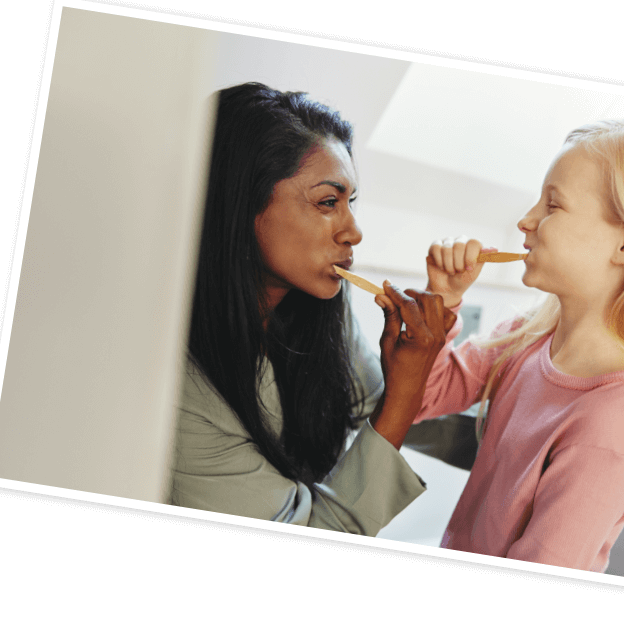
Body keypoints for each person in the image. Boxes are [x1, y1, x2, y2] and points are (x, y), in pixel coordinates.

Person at [410, 119, 624, 572]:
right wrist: (442, 299)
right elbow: (419, 398)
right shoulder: (527, 334)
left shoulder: (613, 423)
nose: (526, 220)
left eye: (553, 205)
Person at [168, 82, 455, 535]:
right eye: (328, 202)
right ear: (242, 201)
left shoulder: (323, 315)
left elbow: (379, 408)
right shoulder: (181, 384)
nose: (354, 231)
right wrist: (405, 389)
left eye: (349, 203)